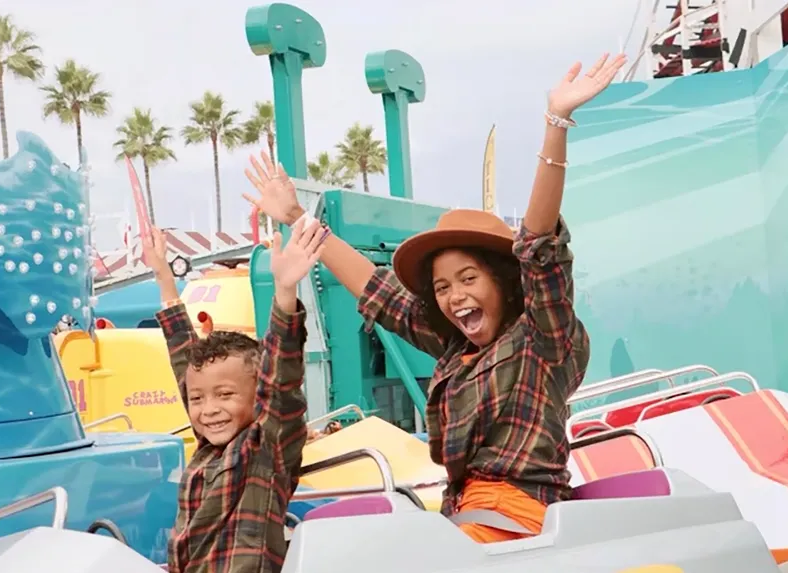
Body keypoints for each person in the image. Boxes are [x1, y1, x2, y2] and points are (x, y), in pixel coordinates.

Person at [242, 54, 625, 544]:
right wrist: (298, 216)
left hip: (518, 516)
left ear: (505, 282)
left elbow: (539, 248)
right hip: (462, 511)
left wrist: (555, 124)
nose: (454, 296)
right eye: (443, 287)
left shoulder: (542, 340)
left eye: (468, 279)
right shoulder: (455, 349)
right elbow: (375, 289)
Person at [144, 217, 326, 572]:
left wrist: (285, 292)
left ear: (256, 396)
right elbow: (186, 360)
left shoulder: (265, 447)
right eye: (197, 400)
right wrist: (165, 279)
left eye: (225, 395)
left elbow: (281, 381)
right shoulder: (207, 449)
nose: (208, 410)